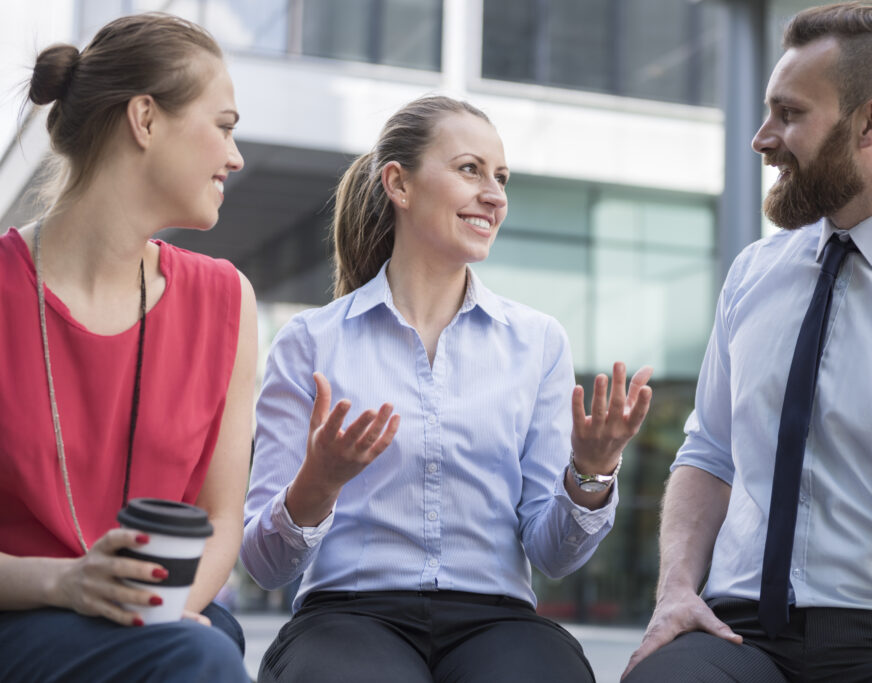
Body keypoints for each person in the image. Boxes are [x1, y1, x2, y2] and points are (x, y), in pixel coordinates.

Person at [623, 2, 872, 682]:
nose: (762, 137)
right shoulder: (754, 272)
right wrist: (675, 593)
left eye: (789, 113)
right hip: (736, 627)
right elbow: (708, 452)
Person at [242, 95, 653, 683]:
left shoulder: (538, 342)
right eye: (470, 169)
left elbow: (553, 556)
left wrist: (593, 472)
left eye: (502, 177)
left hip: (498, 620)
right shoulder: (310, 341)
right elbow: (266, 567)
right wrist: (319, 482)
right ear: (399, 185)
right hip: (348, 616)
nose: (495, 195)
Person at [0, 13, 255, 683]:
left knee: (203, 647)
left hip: (168, 623)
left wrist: (157, 610)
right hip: (17, 615)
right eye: (224, 125)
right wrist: (66, 583)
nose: (236, 156)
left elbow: (223, 517)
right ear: (145, 118)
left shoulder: (228, 301)